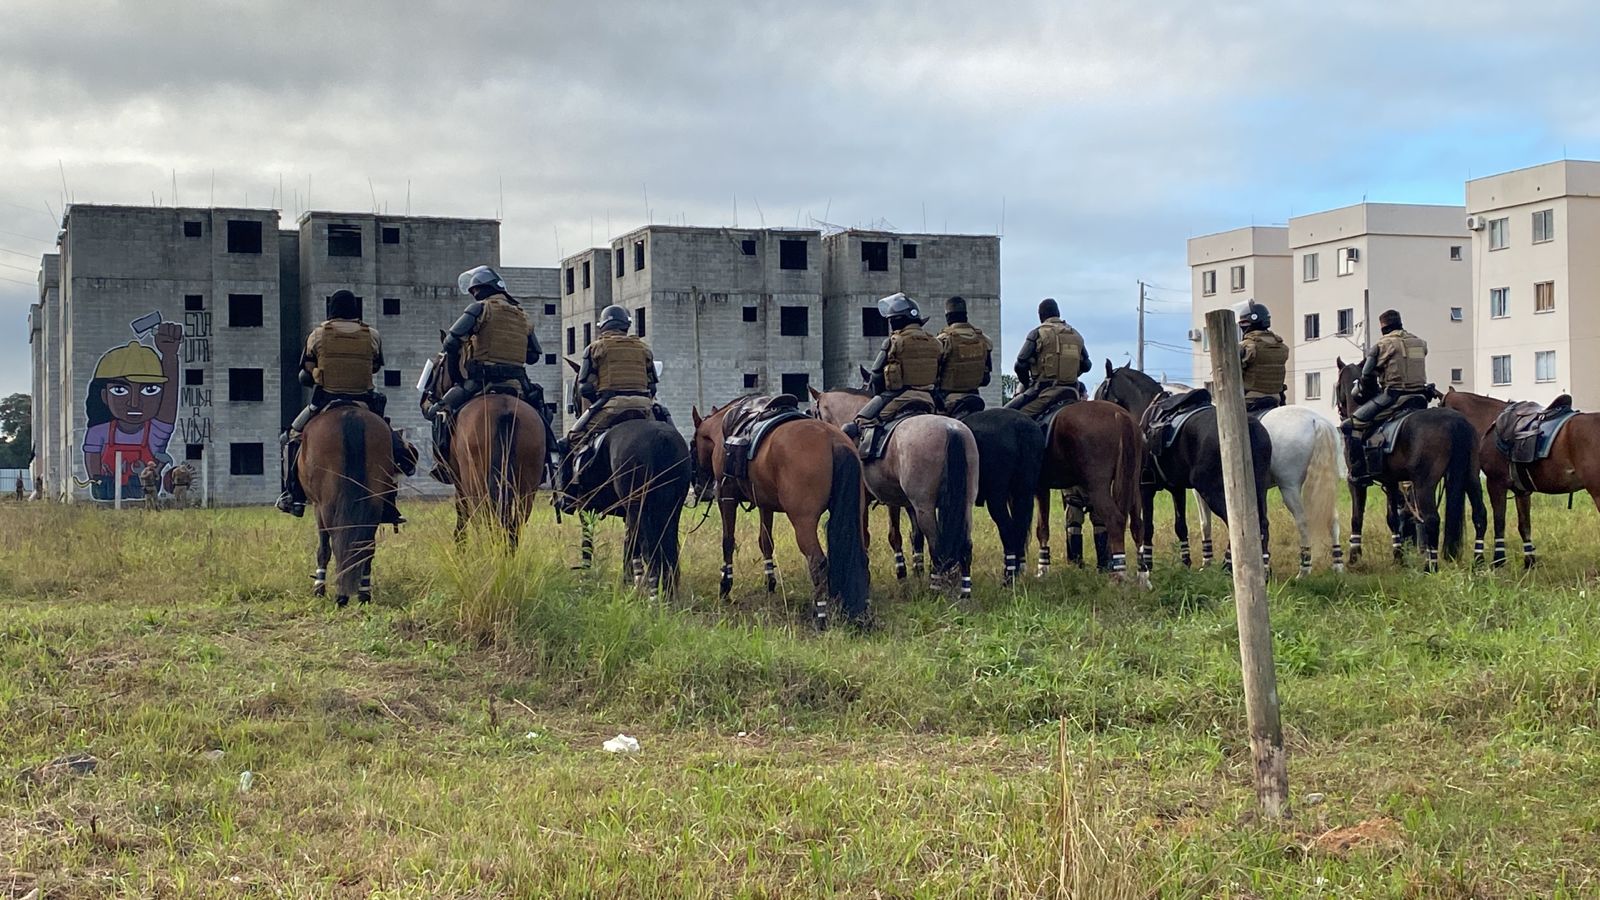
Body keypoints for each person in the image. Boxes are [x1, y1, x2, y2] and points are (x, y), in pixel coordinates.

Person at [278, 289, 415, 522]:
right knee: (394, 444)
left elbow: (306, 367)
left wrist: (318, 371)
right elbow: (375, 366)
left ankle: (293, 496)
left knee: (290, 438)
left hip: (325, 400)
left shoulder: (318, 334)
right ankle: (389, 502)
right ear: (355, 310)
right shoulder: (371, 334)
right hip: (364, 401)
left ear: (331, 310)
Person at [429, 265, 548, 483]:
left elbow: (450, 341)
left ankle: (444, 465)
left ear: (483, 290)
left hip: (479, 381)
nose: (474, 294)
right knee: (542, 414)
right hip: (517, 384)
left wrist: (456, 376)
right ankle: (547, 461)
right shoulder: (523, 316)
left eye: (475, 290)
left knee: (439, 413)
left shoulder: (480, 309)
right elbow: (534, 356)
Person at [556, 304, 663, 493]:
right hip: (644, 406)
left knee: (571, 441)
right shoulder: (644, 349)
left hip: (610, 406)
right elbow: (653, 385)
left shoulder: (594, 348)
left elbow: (584, 387)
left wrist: (597, 399)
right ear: (625, 326)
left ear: (603, 326)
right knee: (668, 428)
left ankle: (569, 492)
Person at [848, 293, 941, 439]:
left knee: (858, 424)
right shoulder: (935, 342)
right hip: (929, 397)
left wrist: (878, 394)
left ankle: (869, 457)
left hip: (898, 397)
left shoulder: (894, 341)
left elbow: (877, 373)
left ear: (898, 321)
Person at [1344, 307, 1430, 449]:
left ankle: (1358, 467)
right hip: (1421, 395)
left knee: (1350, 425)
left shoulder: (1381, 345)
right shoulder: (1420, 343)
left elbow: (1366, 375)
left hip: (1393, 397)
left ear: (1383, 327)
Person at [1005, 298, 1090, 419]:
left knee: (1010, 417)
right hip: (1073, 391)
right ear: (1058, 313)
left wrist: (1026, 383)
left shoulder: (1037, 333)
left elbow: (1020, 365)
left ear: (1041, 316)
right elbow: (1087, 365)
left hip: (1044, 392)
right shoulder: (1076, 335)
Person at [935, 295, 993, 417]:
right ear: (965, 314)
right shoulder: (983, 339)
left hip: (947, 400)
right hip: (974, 397)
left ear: (948, 316)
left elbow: (933, 376)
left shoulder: (943, 340)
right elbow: (986, 378)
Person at [1236, 299, 1289, 415]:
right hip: (1276, 399)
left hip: (1249, 400)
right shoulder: (1282, 346)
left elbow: (1232, 374)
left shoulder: (1246, 346)